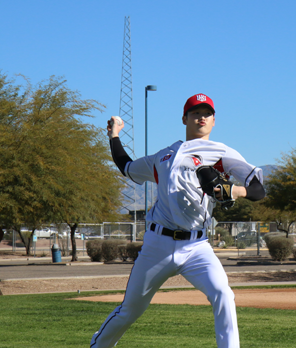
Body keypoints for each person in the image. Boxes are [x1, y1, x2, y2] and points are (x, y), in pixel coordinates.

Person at [90, 93, 265, 348]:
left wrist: (234, 191)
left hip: (197, 247)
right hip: (157, 245)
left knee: (223, 295)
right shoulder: (164, 156)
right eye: (195, 112)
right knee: (130, 310)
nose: (201, 117)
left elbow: (258, 190)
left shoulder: (221, 153)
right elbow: (126, 166)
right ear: (184, 118)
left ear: (214, 120)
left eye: (206, 113)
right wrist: (114, 135)